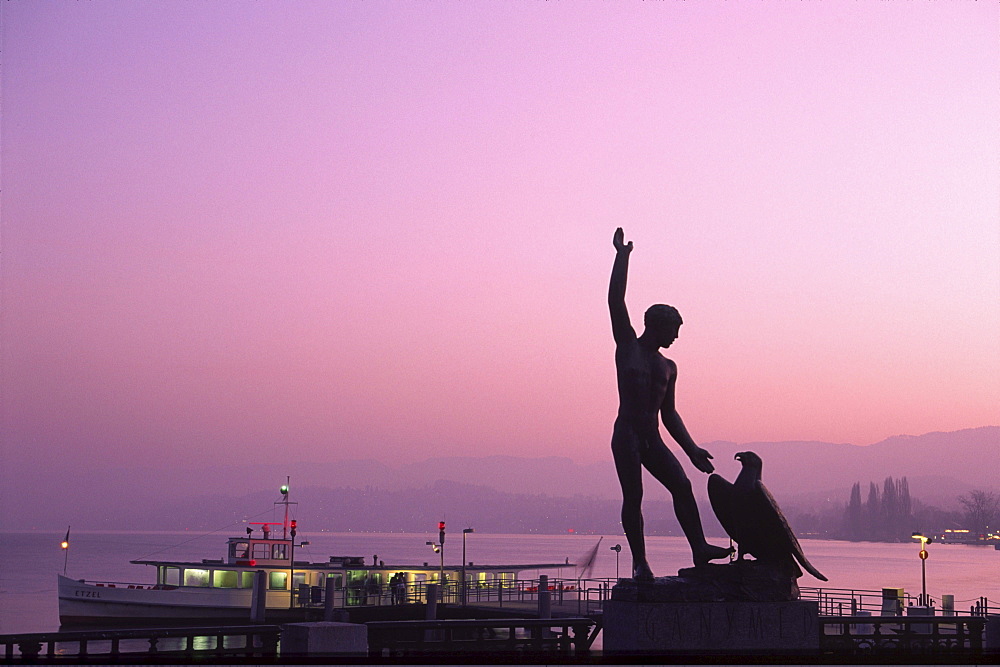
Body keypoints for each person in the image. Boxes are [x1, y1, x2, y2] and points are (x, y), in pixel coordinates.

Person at [609, 228, 731, 580]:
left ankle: (700, 548)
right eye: (674, 329)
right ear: (657, 326)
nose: (676, 336)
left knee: (682, 485)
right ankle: (639, 561)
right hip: (627, 435)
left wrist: (692, 450)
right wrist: (622, 256)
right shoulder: (628, 347)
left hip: (653, 437)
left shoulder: (668, 367)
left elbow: (670, 414)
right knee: (635, 497)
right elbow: (615, 302)